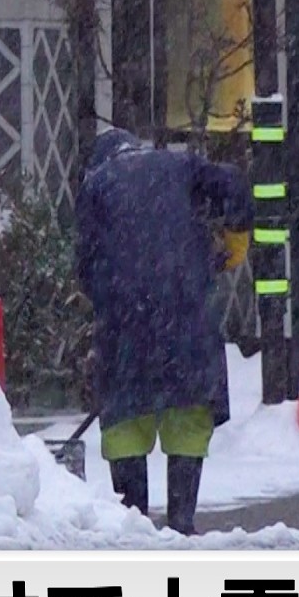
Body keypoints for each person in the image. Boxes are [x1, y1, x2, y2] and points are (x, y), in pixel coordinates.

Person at [74, 128, 254, 535]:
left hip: (126, 327)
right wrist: (235, 240)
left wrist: (111, 302)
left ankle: (133, 521)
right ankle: (181, 522)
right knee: (187, 412)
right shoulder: (180, 165)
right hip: (186, 319)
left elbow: (86, 264)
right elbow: (234, 185)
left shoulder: (97, 183)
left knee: (125, 422)